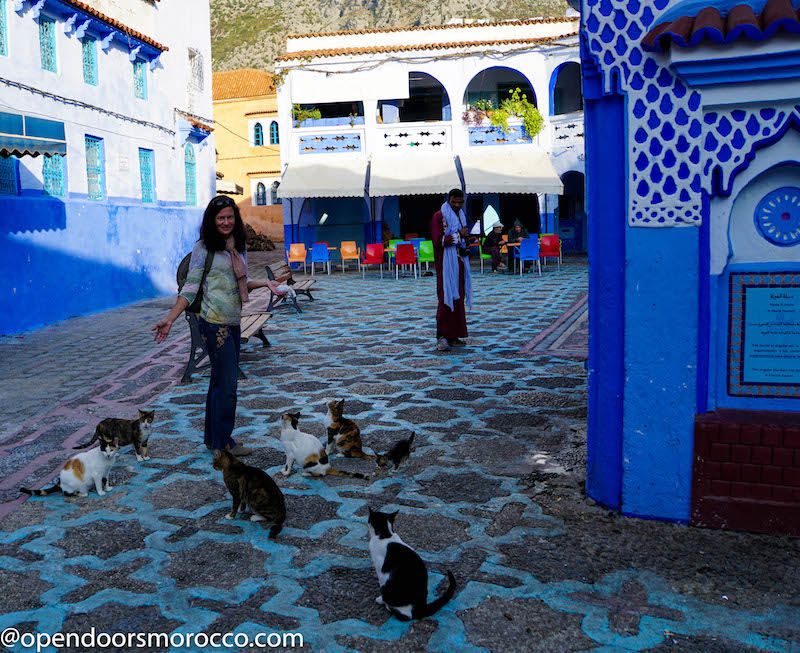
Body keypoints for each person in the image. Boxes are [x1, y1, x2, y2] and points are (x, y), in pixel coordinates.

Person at [153, 195, 282, 456]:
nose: (225, 222)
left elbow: (239, 283)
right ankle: (224, 443)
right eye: (220, 218)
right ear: (212, 221)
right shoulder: (204, 248)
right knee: (228, 385)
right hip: (214, 324)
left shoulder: (237, 245)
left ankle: (214, 439)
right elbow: (190, 288)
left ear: (236, 219)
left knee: (219, 382)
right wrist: (170, 318)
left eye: (229, 217)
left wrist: (266, 284)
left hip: (233, 322)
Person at [431, 188, 473, 352]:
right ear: (448, 200)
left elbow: (462, 238)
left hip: (460, 263)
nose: (457, 205)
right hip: (445, 265)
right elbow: (437, 241)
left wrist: (465, 241)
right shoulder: (438, 217)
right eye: (454, 202)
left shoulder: (461, 216)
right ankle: (441, 337)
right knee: (445, 297)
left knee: (458, 297)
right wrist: (459, 235)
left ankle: (454, 335)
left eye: (460, 202)